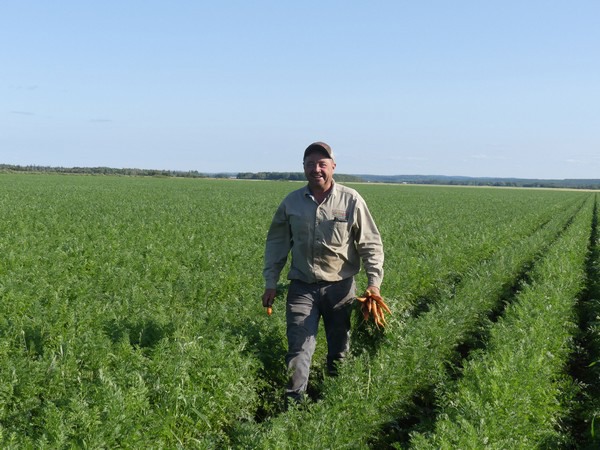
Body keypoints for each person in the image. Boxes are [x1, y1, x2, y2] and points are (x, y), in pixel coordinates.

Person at [262, 141, 384, 404]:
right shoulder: (291, 202)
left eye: (322, 164)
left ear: (333, 167)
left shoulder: (351, 199)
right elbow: (276, 244)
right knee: (298, 349)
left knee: (339, 350)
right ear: (303, 168)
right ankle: (294, 405)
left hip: (340, 288)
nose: (315, 169)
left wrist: (374, 283)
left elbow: (370, 243)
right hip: (302, 287)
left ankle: (335, 401)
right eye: (310, 164)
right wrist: (270, 282)